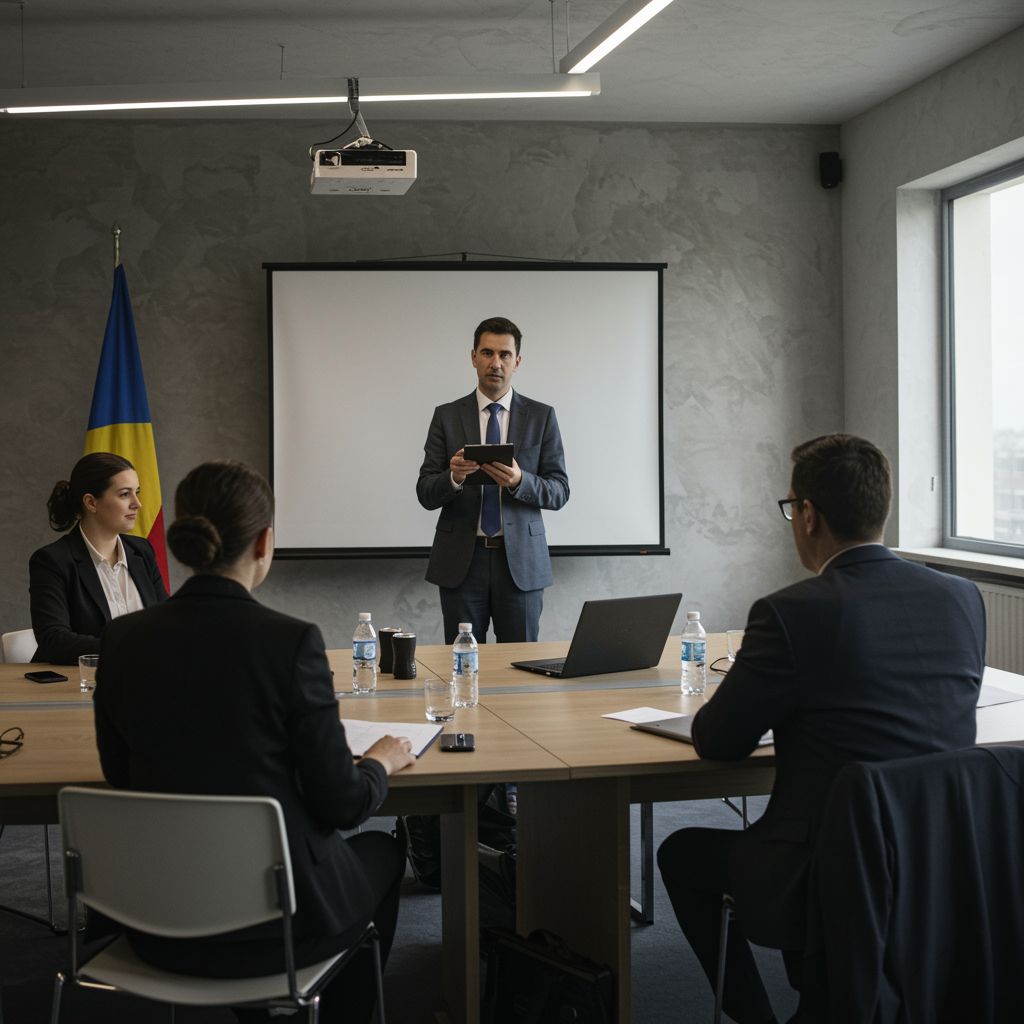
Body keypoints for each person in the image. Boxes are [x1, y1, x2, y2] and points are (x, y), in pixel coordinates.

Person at [657, 434, 985, 1024]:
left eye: (791, 508)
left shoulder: (792, 611)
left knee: (679, 852)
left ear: (808, 515)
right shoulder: (962, 597)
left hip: (829, 867)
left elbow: (718, 741)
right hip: (941, 858)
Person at [93, 461, 416, 1024]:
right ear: (264, 543)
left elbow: (121, 777)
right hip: (279, 930)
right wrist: (378, 763)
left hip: (155, 926)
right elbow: (343, 804)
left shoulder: (121, 639)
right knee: (385, 852)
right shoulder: (291, 642)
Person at [417, 316, 569, 644]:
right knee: (463, 663)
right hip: (461, 563)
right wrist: (454, 477)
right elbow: (425, 491)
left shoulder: (542, 416)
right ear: (474, 357)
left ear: (517, 362)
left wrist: (519, 480)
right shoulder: (446, 416)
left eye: (504, 355)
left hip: (521, 564)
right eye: (487, 353)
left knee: (521, 663)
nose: (495, 363)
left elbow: (559, 490)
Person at [29, 452, 169, 664]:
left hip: (142, 676)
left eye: (137, 492)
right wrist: (132, 647)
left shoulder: (142, 551)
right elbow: (54, 641)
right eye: (125, 494)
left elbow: (167, 622)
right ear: (91, 502)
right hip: (78, 681)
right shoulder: (51, 560)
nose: (137, 504)